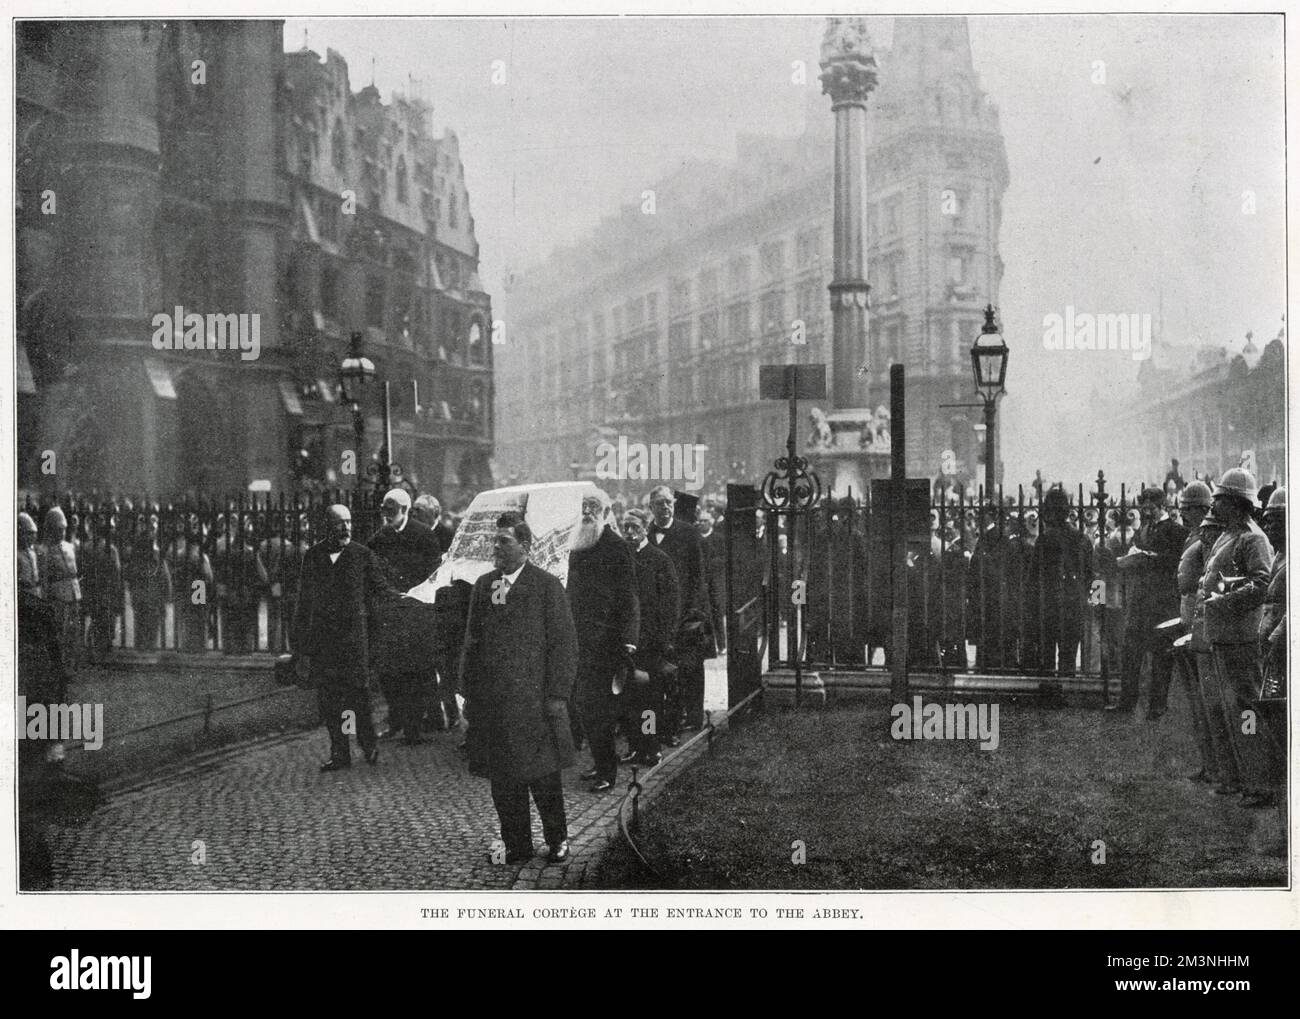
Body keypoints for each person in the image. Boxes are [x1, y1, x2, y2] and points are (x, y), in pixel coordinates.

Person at [460, 512, 578, 865]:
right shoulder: (484, 586)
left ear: (525, 547)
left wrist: (556, 696)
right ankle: (517, 844)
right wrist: (468, 694)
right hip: (495, 705)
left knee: (543, 778)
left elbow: (564, 645)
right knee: (504, 781)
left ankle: (557, 839)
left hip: (535, 703)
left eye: (504, 541)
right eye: (494, 541)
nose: (495, 547)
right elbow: (472, 642)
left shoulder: (546, 587)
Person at [293, 504, 395, 772]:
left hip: (354, 640)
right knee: (329, 701)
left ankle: (368, 743)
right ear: (327, 525)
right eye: (340, 522)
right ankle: (340, 753)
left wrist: (399, 602)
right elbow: (304, 602)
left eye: (349, 521)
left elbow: (380, 590)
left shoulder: (362, 555)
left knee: (358, 697)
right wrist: (302, 646)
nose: (346, 527)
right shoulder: (313, 557)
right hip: (325, 643)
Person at [1201, 468, 1274, 807]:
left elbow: (1261, 585)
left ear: (1235, 503)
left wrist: (1224, 601)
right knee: (1233, 712)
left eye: (1219, 499)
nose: (1213, 505)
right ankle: (1241, 779)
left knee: (1247, 713)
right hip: (1225, 637)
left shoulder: (1252, 538)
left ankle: (1258, 782)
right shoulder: (1228, 534)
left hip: (1242, 639)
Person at [568, 495, 639, 792]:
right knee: (585, 707)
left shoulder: (617, 547)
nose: (587, 514)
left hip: (606, 644)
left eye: (593, 511)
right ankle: (600, 763)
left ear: (606, 513)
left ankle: (607, 772)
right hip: (579, 640)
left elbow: (629, 597)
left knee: (599, 709)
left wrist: (628, 640)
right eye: (583, 509)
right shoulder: (578, 545)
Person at [368, 489, 445, 744]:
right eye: (384, 510)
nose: (386, 515)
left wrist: (415, 593)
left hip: (416, 610)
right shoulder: (380, 539)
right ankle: (396, 721)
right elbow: (372, 570)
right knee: (390, 672)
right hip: (390, 611)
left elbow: (435, 572)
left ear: (404, 509)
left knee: (416, 672)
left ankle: (413, 728)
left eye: (391, 510)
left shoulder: (423, 536)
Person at [1110, 487, 1186, 716]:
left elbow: (1177, 563)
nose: (1146, 512)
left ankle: (1157, 706)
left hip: (1163, 604)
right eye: (1144, 508)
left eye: (1151, 508)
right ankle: (1126, 702)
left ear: (1162, 507)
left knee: (1161, 657)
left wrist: (1147, 558)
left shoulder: (1176, 531)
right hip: (1139, 601)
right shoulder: (1142, 530)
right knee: (1131, 653)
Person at [620, 508, 679, 768]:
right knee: (627, 698)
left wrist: (663, 640)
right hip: (626, 642)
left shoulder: (659, 559)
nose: (630, 533)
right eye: (626, 528)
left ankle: (651, 747)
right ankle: (635, 746)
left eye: (635, 527)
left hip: (650, 642)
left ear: (646, 528)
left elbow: (670, 604)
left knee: (650, 700)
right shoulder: (620, 558)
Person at [648, 485, 706, 739]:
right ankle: (666, 721)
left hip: (685, 612)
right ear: (651, 507)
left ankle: (693, 717)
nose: (665, 507)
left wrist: (692, 608)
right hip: (657, 613)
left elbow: (698, 575)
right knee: (663, 669)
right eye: (659, 503)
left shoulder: (688, 533)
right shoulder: (645, 533)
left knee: (690, 666)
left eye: (668, 502)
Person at [1171, 481, 1217, 782]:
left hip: (1202, 622)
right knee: (1196, 699)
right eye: (1183, 509)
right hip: (1189, 617)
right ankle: (1208, 763)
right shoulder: (1194, 535)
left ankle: (1216, 765)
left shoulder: (1210, 536)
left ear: (1203, 508)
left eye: (1188, 509)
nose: (1184, 514)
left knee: (1207, 698)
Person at [1024, 488, 1093, 682]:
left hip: (1048, 606)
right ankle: (1065, 690)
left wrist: (1030, 606)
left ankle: (1048, 694)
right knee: (1068, 656)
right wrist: (1096, 605)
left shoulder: (1044, 539)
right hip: (1074, 605)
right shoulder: (1082, 539)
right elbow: (1094, 575)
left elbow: (1033, 578)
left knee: (1046, 656)